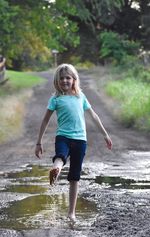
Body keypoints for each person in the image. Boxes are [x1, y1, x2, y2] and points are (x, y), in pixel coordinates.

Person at [35, 63, 112, 223]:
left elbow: (94, 116)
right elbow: (45, 120)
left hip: (81, 140)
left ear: (74, 79)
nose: (64, 81)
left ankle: (71, 213)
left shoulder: (80, 96)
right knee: (60, 156)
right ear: (57, 81)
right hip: (63, 136)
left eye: (68, 78)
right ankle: (55, 170)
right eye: (61, 78)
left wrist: (105, 134)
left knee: (74, 177)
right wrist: (39, 142)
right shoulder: (55, 99)